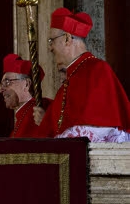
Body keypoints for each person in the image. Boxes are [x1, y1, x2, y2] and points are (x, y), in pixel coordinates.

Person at [34, 8, 130, 142]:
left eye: (52, 41)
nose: (50, 48)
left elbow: (101, 131)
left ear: (67, 38)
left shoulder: (98, 70)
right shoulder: (70, 77)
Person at [0, 53, 52, 138]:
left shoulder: (42, 107)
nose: (0, 90)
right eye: (1, 84)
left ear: (26, 84)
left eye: (7, 82)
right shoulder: (22, 113)